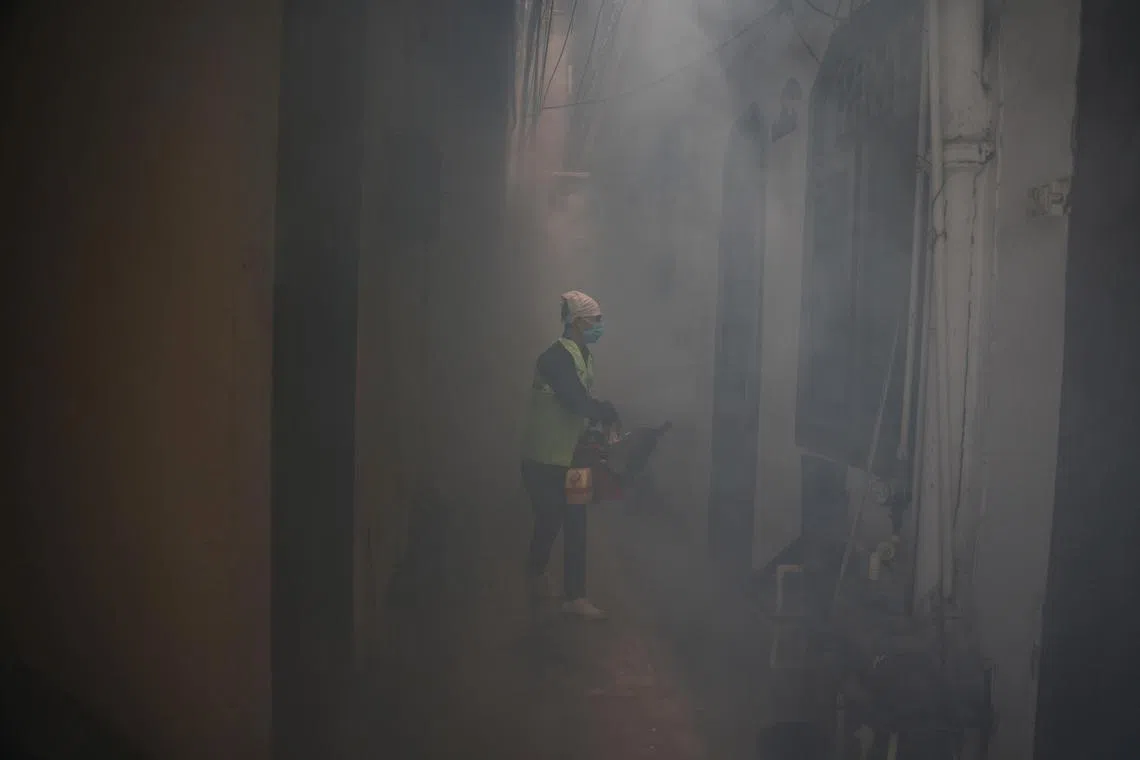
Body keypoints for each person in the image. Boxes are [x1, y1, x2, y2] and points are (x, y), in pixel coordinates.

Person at [519, 290, 619, 620]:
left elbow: (581, 404)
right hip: (544, 458)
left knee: (576, 520)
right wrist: (605, 411)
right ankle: (535, 571)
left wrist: (598, 423)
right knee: (549, 518)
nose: (600, 327)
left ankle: (575, 596)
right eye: (596, 321)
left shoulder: (583, 355)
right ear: (576, 323)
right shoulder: (553, 359)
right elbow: (574, 399)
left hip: (573, 457)